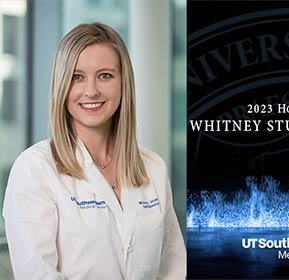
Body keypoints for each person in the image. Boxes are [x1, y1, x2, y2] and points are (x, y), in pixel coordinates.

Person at [2, 22, 186, 279]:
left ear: (124, 83)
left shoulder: (153, 167)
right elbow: (37, 274)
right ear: (61, 85)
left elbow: (172, 269)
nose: (91, 91)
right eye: (77, 77)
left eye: (105, 75)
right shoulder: (35, 169)